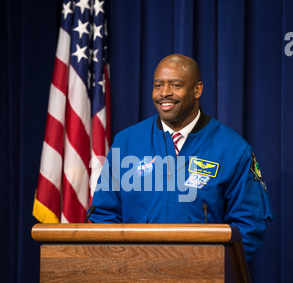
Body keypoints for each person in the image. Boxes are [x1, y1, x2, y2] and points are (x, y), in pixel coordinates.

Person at [88, 53, 273, 261]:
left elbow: (248, 226)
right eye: (158, 85)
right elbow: (104, 214)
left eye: (175, 85)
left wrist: (208, 268)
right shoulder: (126, 142)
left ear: (197, 90)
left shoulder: (234, 150)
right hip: (135, 277)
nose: (164, 93)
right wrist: (128, 262)